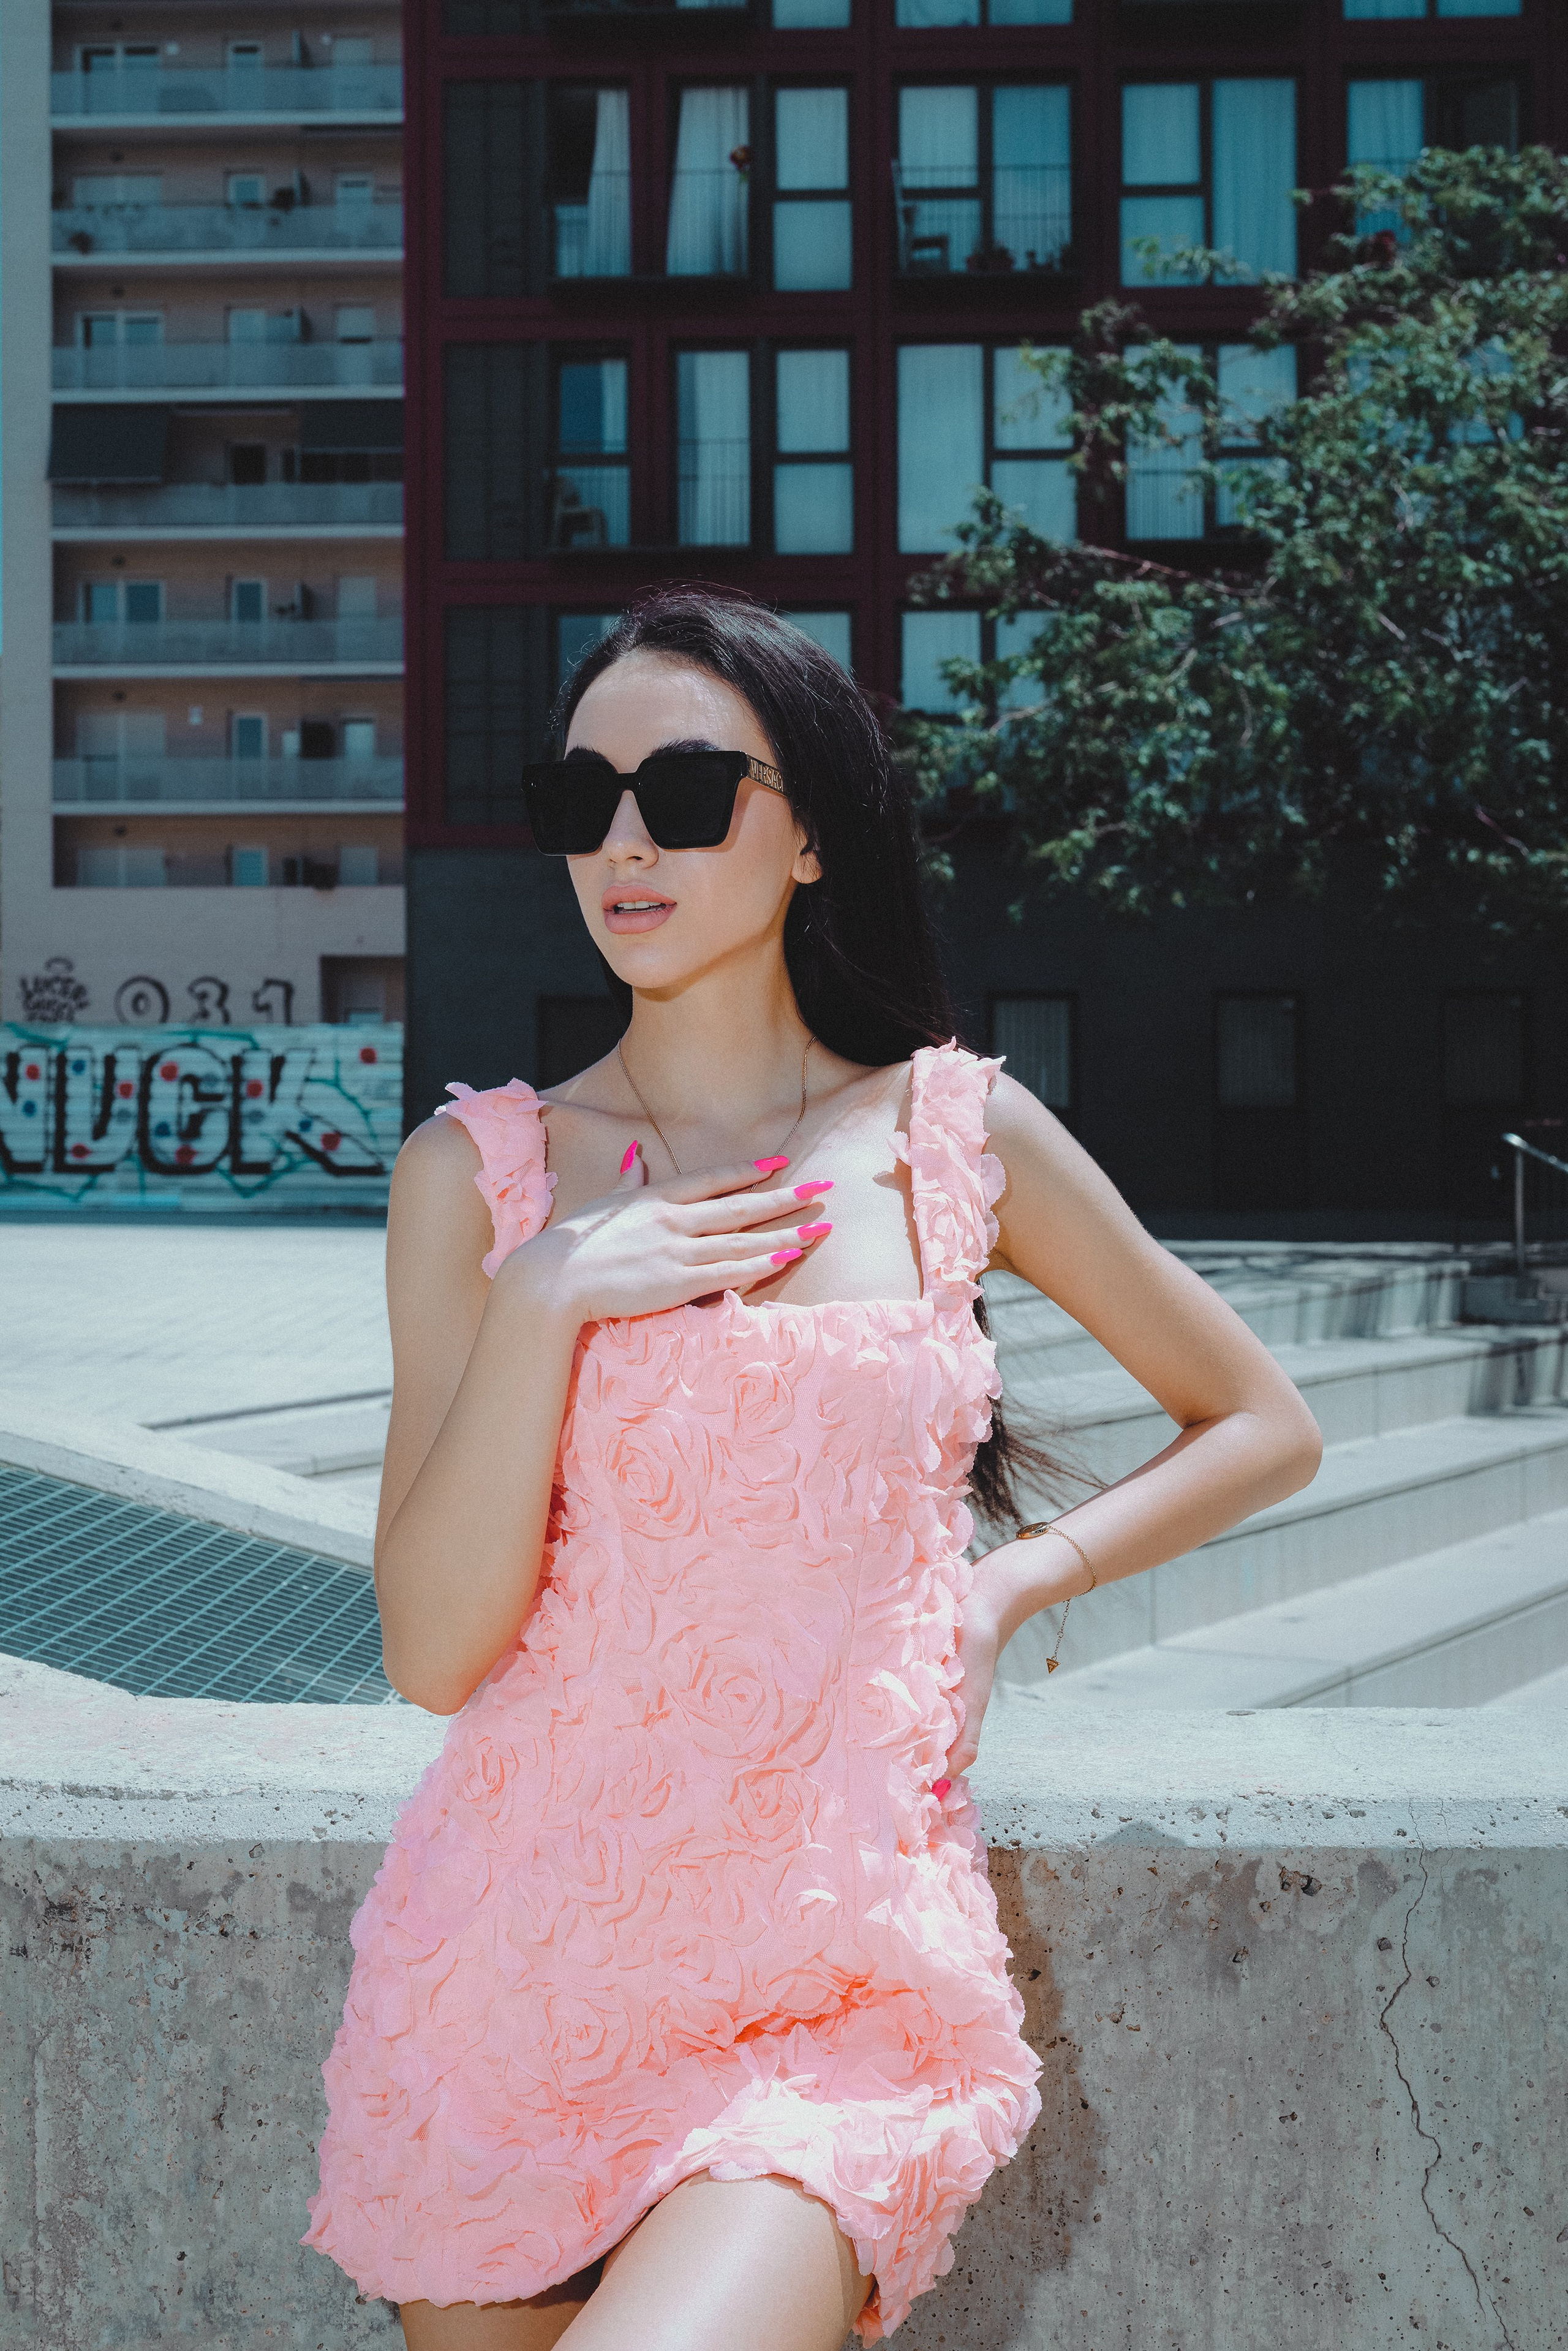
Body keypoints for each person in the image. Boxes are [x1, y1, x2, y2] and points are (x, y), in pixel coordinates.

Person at [301, 587, 1322, 2351]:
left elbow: (1260, 1422)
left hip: (827, 1984)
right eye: (581, 802)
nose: (624, 844)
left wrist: (999, 1592)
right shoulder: (481, 1182)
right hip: (512, 1988)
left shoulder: (950, 1132)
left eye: (686, 795)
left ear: (815, 838)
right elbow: (433, 1650)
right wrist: (551, 1297)